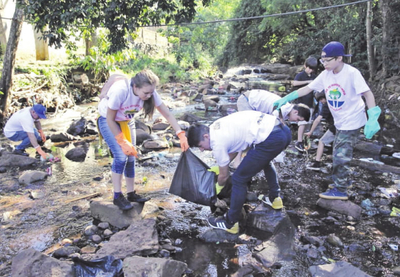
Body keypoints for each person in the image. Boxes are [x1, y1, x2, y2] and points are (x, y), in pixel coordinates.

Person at [273, 41, 381, 200]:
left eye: (327, 60)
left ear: (339, 58)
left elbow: (368, 94)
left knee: (341, 154)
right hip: (339, 120)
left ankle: (341, 190)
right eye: (322, 61)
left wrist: (373, 116)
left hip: (352, 119)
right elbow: (307, 89)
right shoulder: (325, 75)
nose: (324, 64)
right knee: (338, 149)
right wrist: (288, 98)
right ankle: (340, 179)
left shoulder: (352, 73)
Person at [187, 110, 292, 234]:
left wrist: (217, 189)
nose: (202, 150)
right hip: (284, 131)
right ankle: (275, 199)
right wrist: (221, 165)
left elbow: (224, 176)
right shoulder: (216, 127)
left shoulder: (217, 143)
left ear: (205, 137)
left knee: (238, 179)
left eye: (200, 146)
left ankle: (230, 223)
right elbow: (234, 150)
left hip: (271, 138)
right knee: (266, 161)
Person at [97, 70, 189, 211]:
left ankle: (131, 193)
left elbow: (167, 113)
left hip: (127, 121)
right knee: (121, 157)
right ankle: (117, 196)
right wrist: (122, 141)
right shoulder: (122, 91)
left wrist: (180, 133)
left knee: (131, 157)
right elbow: (109, 118)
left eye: (151, 93)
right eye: (145, 93)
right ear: (135, 87)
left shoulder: (150, 91)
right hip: (108, 121)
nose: (149, 96)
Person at [232, 89, 310, 168]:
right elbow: (271, 127)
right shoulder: (283, 109)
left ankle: (245, 157)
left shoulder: (287, 111)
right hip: (247, 101)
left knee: (255, 133)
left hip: (255, 103)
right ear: (295, 112)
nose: (296, 122)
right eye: (298, 119)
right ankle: (236, 161)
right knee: (247, 131)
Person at [292, 56, 319, 152]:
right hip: (301, 103)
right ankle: (299, 141)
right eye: (309, 68)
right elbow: (294, 83)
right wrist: (308, 82)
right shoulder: (300, 75)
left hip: (310, 104)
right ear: (305, 66)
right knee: (302, 123)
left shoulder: (314, 76)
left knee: (308, 123)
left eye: (312, 69)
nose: (310, 70)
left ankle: (304, 140)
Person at [304, 91, 336, 171]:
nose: (321, 101)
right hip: (344, 125)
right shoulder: (335, 102)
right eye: (320, 100)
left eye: (322, 99)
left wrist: (310, 132)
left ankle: (317, 163)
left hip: (336, 127)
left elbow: (318, 119)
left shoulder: (327, 105)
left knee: (322, 141)